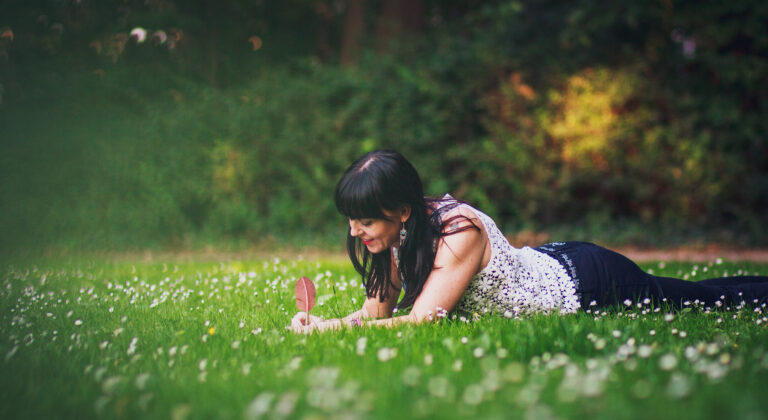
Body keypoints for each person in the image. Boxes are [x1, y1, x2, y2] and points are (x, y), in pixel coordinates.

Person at [290, 150, 768, 333]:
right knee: (696, 294)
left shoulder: (460, 232)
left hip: (586, 281)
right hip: (549, 260)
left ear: (399, 210)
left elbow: (419, 321)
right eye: (351, 221)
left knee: (704, 299)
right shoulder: (395, 237)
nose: (354, 232)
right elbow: (379, 314)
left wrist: (334, 330)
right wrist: (324, 321)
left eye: (363, 221)